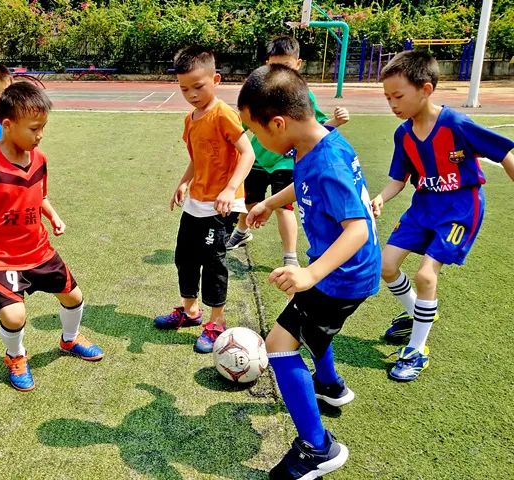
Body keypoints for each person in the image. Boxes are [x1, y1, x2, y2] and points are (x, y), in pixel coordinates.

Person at [241, 64, 380, 479]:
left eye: (257, 131)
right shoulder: (312, 144)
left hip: (342, 277)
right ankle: (331, 387)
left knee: (280, 344)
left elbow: (357, 229)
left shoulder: (328, 162)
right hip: (342, 273)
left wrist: (311, 274)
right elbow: (303, 184)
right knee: (311, 328)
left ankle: (318, 448)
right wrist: (269, 202)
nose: (256, 140)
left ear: (279, 123)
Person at [0, 82, 104, 392]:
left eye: (43, 127)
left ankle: (70, 340)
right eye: (34, 128)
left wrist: (52, 214)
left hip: (38, 250)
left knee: (74, 297)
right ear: (7, 125)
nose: (40, 135)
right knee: (15, 316)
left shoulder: (39, 158)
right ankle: (16, 356)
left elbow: (36, 194)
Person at [372, 51, 514, 381]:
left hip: (460, 210)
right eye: (387, 97)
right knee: (386, 265)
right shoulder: (403, 135)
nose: (392, 104)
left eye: (398, 96)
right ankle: (418, 314)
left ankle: (417, 349)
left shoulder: (456, 124)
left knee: (425, 275)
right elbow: (399, 178)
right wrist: (380, 197)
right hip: (423, 208)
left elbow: (506, 152)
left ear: (426, 89)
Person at [153, 45, 256, 354]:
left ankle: (216, 322)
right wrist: (183, 183)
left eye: (198, 86)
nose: (192, 94)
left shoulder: (224, 114)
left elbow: (247, 153)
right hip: (196, 200)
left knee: (213, 263)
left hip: (221, 204)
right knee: (184, 255)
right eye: (185, 88)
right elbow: (197, 159)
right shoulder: (191, 119)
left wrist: (230, 188)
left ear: (216, 79)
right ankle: (190, 311)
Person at [226, 35, 350, 268]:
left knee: (284, 207)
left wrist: (335, 120)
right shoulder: (259, 93)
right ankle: (242, 231)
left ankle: (290, 257)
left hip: (285, 162)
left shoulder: (302, 96)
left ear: (298, 64)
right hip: (259, 159)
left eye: (286, 66)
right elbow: (240, 125)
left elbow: (316, 130)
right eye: (274, 66)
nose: (280, 71)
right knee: (250, 201)